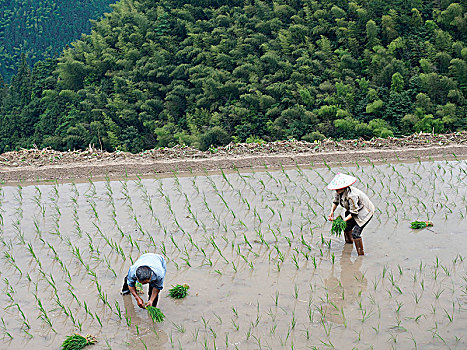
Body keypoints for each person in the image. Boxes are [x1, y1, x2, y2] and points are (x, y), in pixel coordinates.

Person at [327, 173, 374, 256]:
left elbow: (354, 212)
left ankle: (361, 255)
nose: (336, 190)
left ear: (344, 187)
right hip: (353, 210)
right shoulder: (338, 192)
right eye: (336, 189)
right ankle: (349, 245)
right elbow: (335, 202)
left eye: (338, 188)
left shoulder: (352, 195)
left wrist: (343, 221)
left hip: (364, 212)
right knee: (346, 228)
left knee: (356, 234)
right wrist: (332, 212)